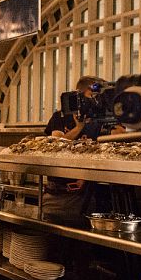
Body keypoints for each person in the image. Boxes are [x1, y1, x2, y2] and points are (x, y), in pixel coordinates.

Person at [42, 75, 118, 225]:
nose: (96, 101)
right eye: (93, 96)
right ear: (79, 95)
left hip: (85, 196)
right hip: (58, 195)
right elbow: (55, 144)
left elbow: (113, 141)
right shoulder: (60, 116)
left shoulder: (97, 119)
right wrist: (79, 128)